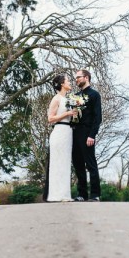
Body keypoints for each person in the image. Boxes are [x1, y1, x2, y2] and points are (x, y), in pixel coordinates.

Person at [46, 74, 78, 202]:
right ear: (62, 84)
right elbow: (50, 118)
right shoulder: (56, 99)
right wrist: (67, 113)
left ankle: (65, 194)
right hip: (59, 131)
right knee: (57, 163)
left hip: (68, 132)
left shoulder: (70, 99)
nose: (70, 82)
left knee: (65, 163)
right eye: (68, 81)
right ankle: (55, 194)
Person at [72, 69, 102, 202]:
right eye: (75, 78)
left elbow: (98, 117)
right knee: (78, 164)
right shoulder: (75, 96)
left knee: (90, 164)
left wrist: (92, 135)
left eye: (78, 77)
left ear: (86, 77)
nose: (76, 80)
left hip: (87, 133)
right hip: (75, 132)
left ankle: (95, 194)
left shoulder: (95, 95)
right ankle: (82, 194)